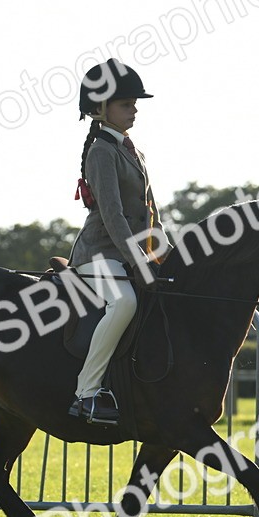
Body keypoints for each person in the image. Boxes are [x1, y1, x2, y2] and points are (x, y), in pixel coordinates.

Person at [66, 59, 167, 425]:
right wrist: (139, 262)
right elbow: (113, 216)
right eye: (126, 103)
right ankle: (87, 394)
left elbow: (150, 211)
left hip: (128, 250)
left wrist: (165, 253)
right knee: (123, 303)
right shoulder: (101, 152)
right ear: (100, 109)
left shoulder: (132, 151)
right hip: (98, 254)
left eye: (134, 103)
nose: (135, 108)